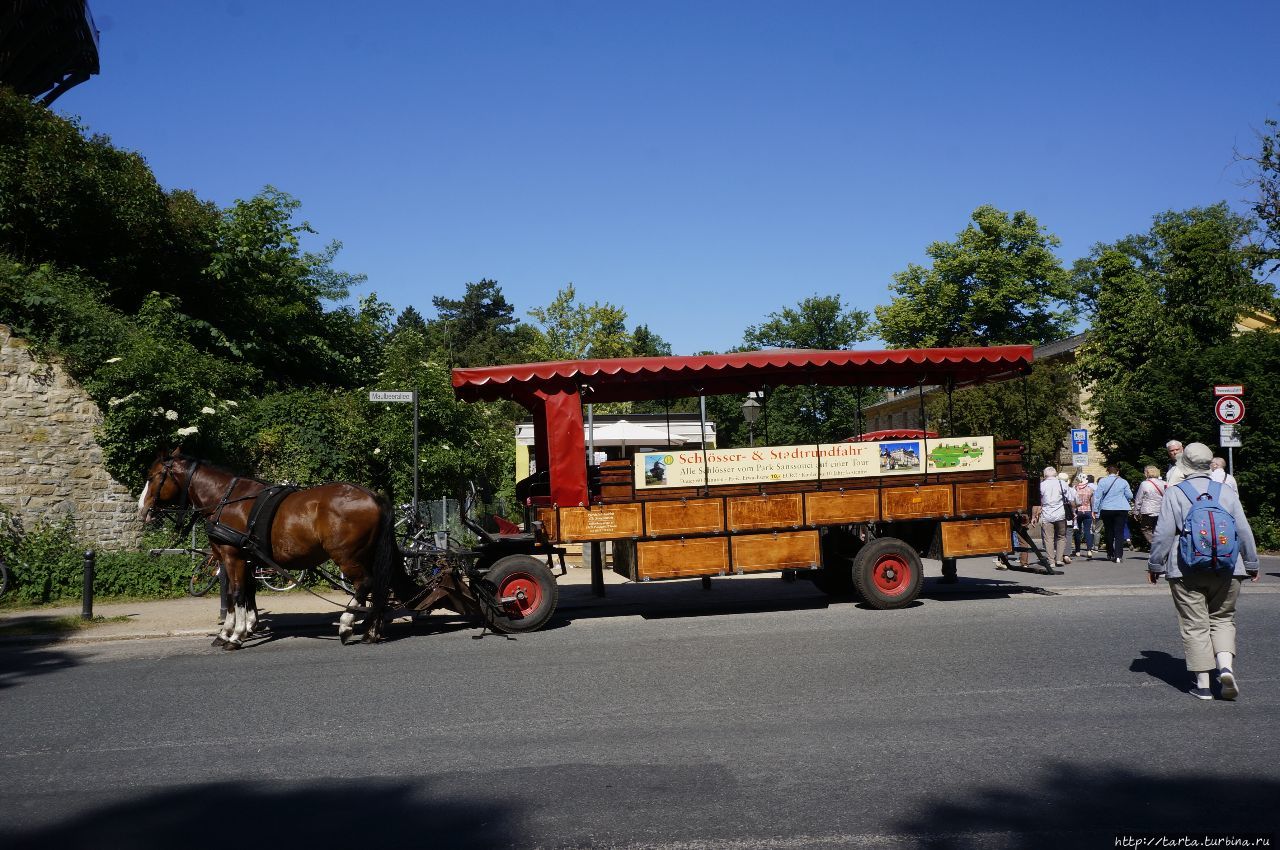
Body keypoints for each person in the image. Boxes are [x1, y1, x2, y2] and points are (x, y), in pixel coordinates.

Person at [1146, 442, 1259, 700]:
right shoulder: (1226, 491)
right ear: (1210, 464)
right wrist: (1251, 563)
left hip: (1185, 568)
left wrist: (1155, 565)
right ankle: (1226, 667)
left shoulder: (1174, 493)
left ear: (1183, 464)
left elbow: (1163, 533)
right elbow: (1243, 530)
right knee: (1222, 618)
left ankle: (1204, 686)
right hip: (1228, 566)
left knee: (1195, 625)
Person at [1093, 465, 1133, 563]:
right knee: (1119, 532)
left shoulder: (1102, 481)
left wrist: (1095, 510)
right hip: (1121, 508)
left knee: (1109, 531)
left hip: (1107, 508)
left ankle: (1110, 553)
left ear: (1107, 472)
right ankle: (1119, 556)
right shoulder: (1123, 482)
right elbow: (1130, 495)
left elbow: (1097, 496)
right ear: (1117, 472)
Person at [1038, 466, 1076, 570]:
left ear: (1045, 475)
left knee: (1048, 538)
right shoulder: (1062, 483)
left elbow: (1039, 501)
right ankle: (1059, 559)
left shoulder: (1041, 485)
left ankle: (1051, 561)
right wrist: (1073, 511)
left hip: (1047, 515)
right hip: (1060, 514)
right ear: (1055, 474)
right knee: (1061, 536)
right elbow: (1071, 499)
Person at [1132, 465, 1166, 550]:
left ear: (1147, 473)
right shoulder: (1164, 483)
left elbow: (1139, 498)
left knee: (1145, 528)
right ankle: (1160, 545)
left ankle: (1155, 544)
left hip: (1148, 510)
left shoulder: (1144, 484)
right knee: (1157, 529)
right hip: (1161, 510)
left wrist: (1136, 511)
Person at [1072, 473, 1095, 558]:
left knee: (1077, 531)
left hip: (1078, 512)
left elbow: (1073, 501)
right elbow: (1093, 502)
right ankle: (1089, 550)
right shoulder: (1090, 489)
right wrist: (1093, 512)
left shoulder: (1075, 488)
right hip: (1088, 511)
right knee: (1087, 531)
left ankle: (1077, 550)